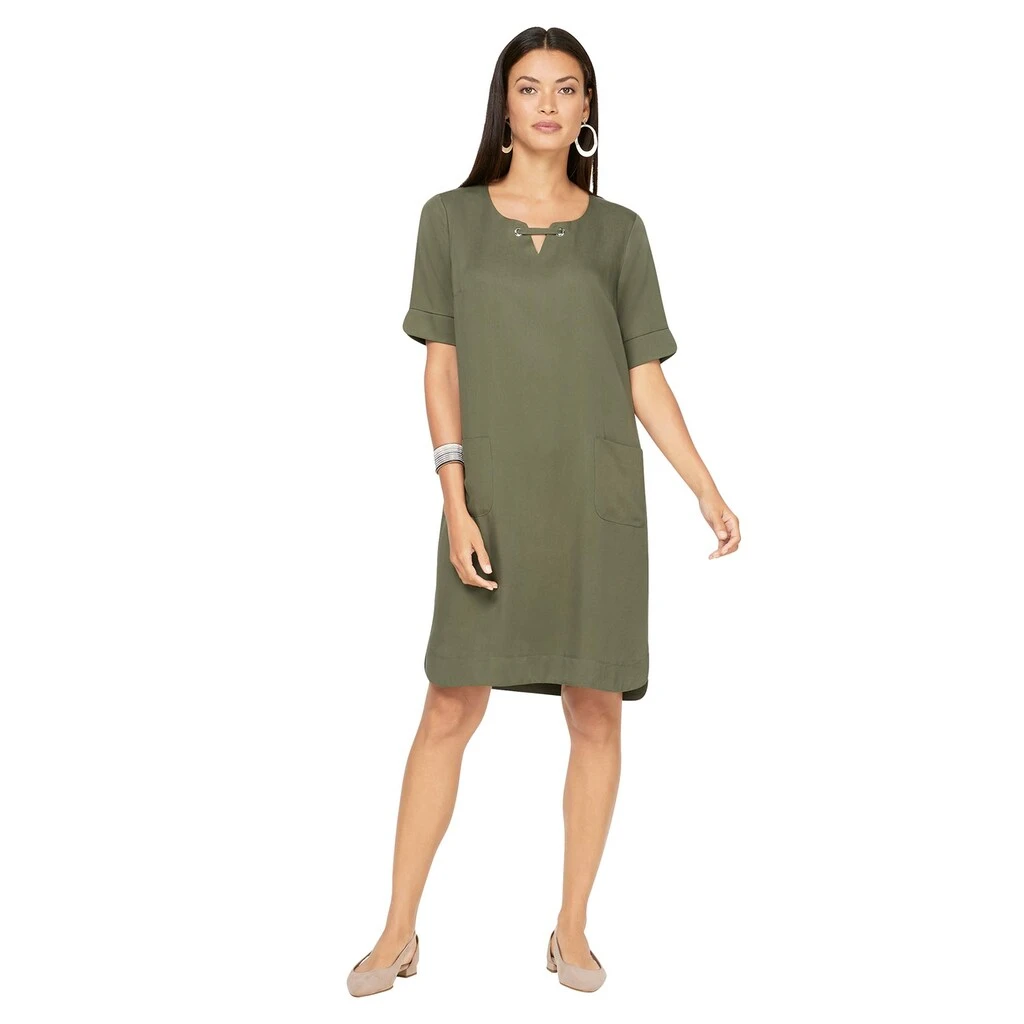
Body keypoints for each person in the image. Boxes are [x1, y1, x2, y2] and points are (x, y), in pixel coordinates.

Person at [348, 26, 741, 998]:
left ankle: (571, 929)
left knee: (595, 708)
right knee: (449, 704)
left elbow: (642, 375)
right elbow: (440, 366)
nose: (549, 105)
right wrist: (454, 498)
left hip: (594, 504)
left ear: (588, 109)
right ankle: (396, 931)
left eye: (567, 89)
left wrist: (703, 484)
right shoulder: (448, 219)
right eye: (529, 88)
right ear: (504, 104)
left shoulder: (619, 234)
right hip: (488, 500)